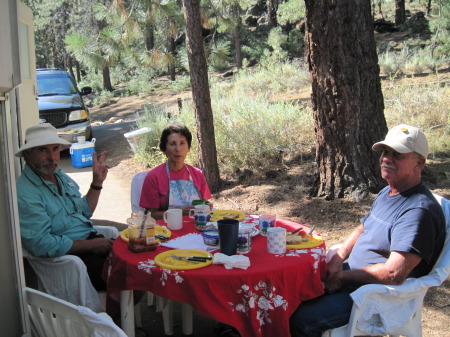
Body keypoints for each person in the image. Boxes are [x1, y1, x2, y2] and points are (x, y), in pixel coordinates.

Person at [290, 124, 446, 337]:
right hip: (352, 278)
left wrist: (343, 277)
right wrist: (340, 256)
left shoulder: (418, 211)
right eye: (385, 152)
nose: (386, 159)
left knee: (300, 319)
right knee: (288, 294)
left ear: (419, 162)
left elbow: (393, 273)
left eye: (398, 154)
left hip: (372, 297)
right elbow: (363, 228)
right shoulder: (389, 190)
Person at [16, 123, 111, 291]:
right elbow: (41, 244)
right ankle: (109, 315)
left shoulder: (58, 175)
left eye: (55, 149)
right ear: (28, 154)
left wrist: (97, 182)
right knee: (126, 274)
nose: (52, 157)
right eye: (43, 150)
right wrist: (91, 245)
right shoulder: (25, 192)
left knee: (138, 256)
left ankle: (115, 313)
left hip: (91, 242)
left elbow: (84, 212)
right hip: (72, 259)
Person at [139, 121, 212, 219]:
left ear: (188, 148)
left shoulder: (197, 174)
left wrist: (207, 206)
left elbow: (203, 202)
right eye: (172, 144)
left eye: (182, 143)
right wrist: (178, 212)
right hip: (166, 230)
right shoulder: (154, 177)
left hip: (196, 227)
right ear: (164, 149)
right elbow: (150, 215)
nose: (178, 149)